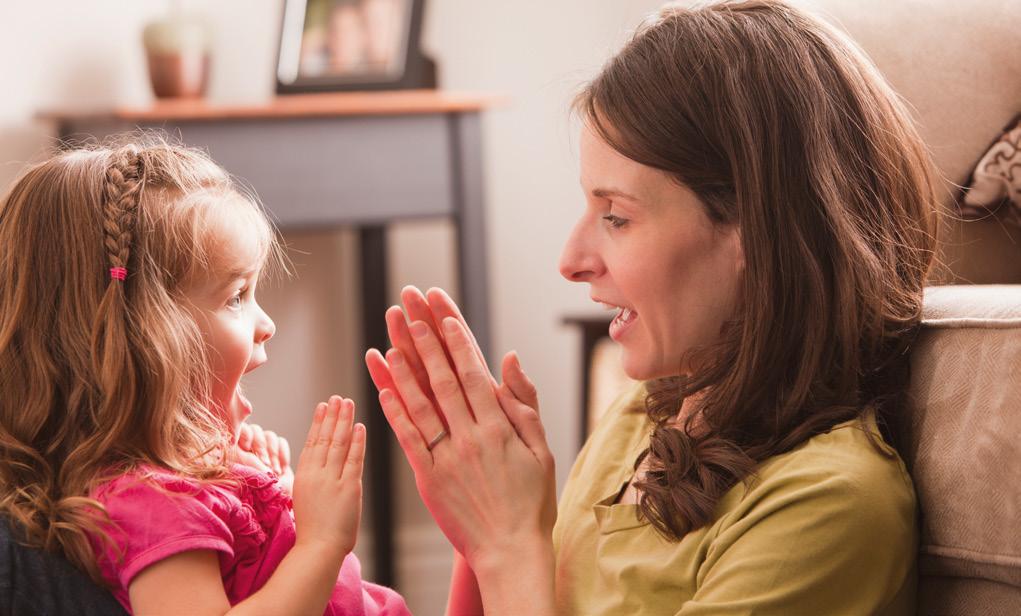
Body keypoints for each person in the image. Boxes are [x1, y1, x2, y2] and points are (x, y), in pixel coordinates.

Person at [365, 0, 940, 614]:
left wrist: (507, 544)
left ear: (757, 232)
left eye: (616, 217)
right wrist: (477, 536)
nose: (571, 258)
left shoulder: (830, 504)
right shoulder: (640, 420)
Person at [0, 137, 410, 616]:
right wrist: (320, 543)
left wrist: (266, 493)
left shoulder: (184, 478)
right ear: (149, 339)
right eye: (237, 296)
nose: (267, 324)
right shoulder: (154, 503)